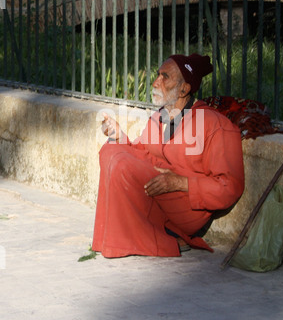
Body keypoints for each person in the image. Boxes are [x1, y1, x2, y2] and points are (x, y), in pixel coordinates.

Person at [92, 53, 245, 258]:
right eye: (158, 75)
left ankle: (161, 236)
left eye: (165, 77)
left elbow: (230, 186)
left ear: (184, 89)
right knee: (110, 150)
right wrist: (119, 135)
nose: (155, 82)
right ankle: (149, 232)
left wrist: (180, 183)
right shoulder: (159, 117)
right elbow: (142, 154)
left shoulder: (214, 124)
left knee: (120, 160)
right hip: (161, 191)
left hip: (189, 205)